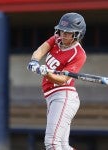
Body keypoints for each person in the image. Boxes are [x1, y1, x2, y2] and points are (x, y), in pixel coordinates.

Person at [27, 12, 87, 150]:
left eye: (68, 32)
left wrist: (46, 73)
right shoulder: (56, 39)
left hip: (63, 96)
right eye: (62, 30)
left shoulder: (79, 54)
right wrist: (34, 61)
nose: (63, 35)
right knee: (63, 146)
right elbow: (41, 49)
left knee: (52, 143)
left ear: (78, 34)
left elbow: (63, 80)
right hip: (52, 96)